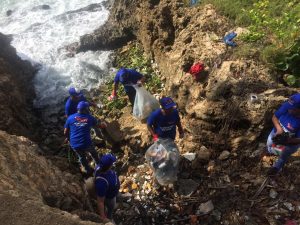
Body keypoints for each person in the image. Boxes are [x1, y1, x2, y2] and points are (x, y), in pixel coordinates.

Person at [64, 101, 105, 176]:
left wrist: (68, 138)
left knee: (81, 157)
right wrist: (103, 125)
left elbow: (65, 132)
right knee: (94, 153)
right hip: (86, 143)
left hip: (74, 144)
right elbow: (99, 126)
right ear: (86, 109)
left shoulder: (70, 118)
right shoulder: (90, 118)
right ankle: (99, 166)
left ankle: (87, 170)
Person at [266, 93, 300, 175]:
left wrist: (287, 141)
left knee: (283, 155)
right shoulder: (288, 105)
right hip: (277, 132)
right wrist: (279, 129)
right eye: (289, 107)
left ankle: (276, 168)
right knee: (269, 145)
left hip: (291, 142)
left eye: (293, 109)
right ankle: (271, 155)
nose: (289, 110)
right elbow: (275, 117)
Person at [95, 154, 120, 222]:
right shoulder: (101, 182)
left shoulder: (100, 167)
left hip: (114, 191)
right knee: (111, 207)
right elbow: (100, 201)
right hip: (110, 198)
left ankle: (118, 196)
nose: (113, 164)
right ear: (109, 166)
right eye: (112, 163)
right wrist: (102, 216)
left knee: (117, 197)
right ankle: (110, 218)